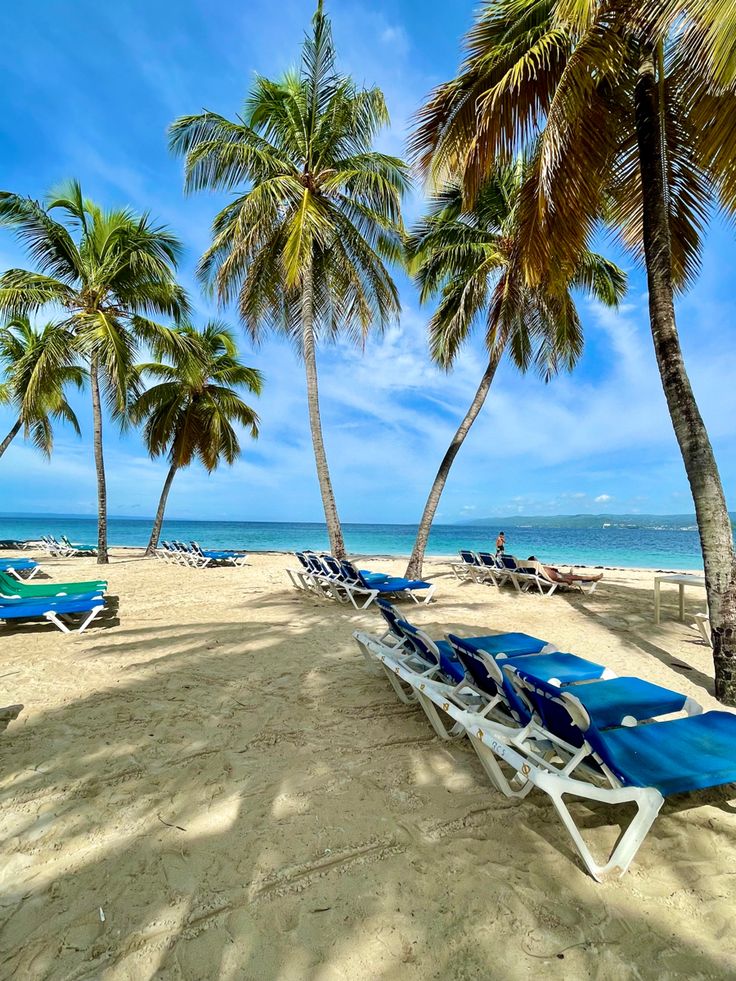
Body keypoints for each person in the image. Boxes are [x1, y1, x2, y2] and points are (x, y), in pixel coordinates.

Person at [526, 556, 603, 585]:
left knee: (574, 576)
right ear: (535, 562)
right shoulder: (542, 570)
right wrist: (565, 580)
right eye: (537, 560)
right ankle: (593, 578)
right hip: (560, 577)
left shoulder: (533, 570)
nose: (538, 561)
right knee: (576, 577)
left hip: (557, 575)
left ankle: (593, 578)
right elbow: (555, 578)